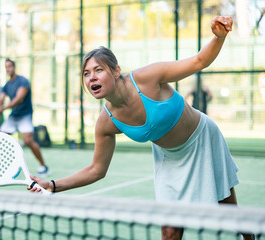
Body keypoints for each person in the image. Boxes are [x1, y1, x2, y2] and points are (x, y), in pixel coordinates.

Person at [28, 16, 253, 240]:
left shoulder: (147, 78)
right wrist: (53, 185)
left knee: (227, 210)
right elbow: (96, 170)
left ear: (116, 71)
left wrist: (219, 37)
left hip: (202, 140)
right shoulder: (106, 121)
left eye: (98, 70)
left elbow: (198, 62)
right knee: (170, 230)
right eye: (86, 74)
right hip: (168, 159)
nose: (91, 78)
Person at [0, 58, 50, 177]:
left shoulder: (23, 81)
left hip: (25, 115)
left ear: (14, 67)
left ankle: (44, 166)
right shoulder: (7, 85)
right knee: (1, 138)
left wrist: (3, 108)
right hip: (14, 116)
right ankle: (7, 167)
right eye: (6, 67)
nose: (8, 69)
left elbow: (19, 99)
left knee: (28, 141)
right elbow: (1, 98)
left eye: (9, 66)